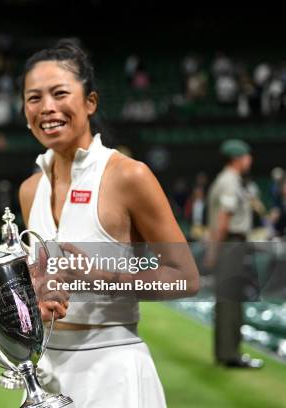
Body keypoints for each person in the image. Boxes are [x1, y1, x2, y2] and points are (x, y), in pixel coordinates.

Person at [18, 40, 199, 407]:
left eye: (60, 93)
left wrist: (103, 277)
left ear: (90, 102)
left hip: (114, 374)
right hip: (47, 374)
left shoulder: (129, 176)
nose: (47, 107)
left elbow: (186, 277)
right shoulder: (29, 189)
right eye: (34, 98)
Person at [205, 139, 263, 368]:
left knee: (227, 298)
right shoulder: (230, 182)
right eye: (247, 156)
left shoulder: (230, 180)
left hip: (229, 244)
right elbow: (223, 221)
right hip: (230, 244)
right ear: (237, 158)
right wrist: (214, 251)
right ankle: (230, 354)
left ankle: (225, 352)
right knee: (231, 300)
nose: (250, 160)